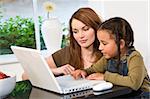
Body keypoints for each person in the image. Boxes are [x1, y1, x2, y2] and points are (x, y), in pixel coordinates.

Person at [71, 17, 150, 98]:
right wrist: (84, 72)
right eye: (100, 43)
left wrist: (105, 77)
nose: (100, 48)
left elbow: (134, 83)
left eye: (104, 43)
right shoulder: (107, 58)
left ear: (120, 44)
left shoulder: (134, 57)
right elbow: (93, 70)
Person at [22, 7, 103, 79]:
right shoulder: (65, 53)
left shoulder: (107, 53)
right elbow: (25, 75)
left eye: (85, 29)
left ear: (96, 28)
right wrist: (55, 71)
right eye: (75, 31)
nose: (80, 36)